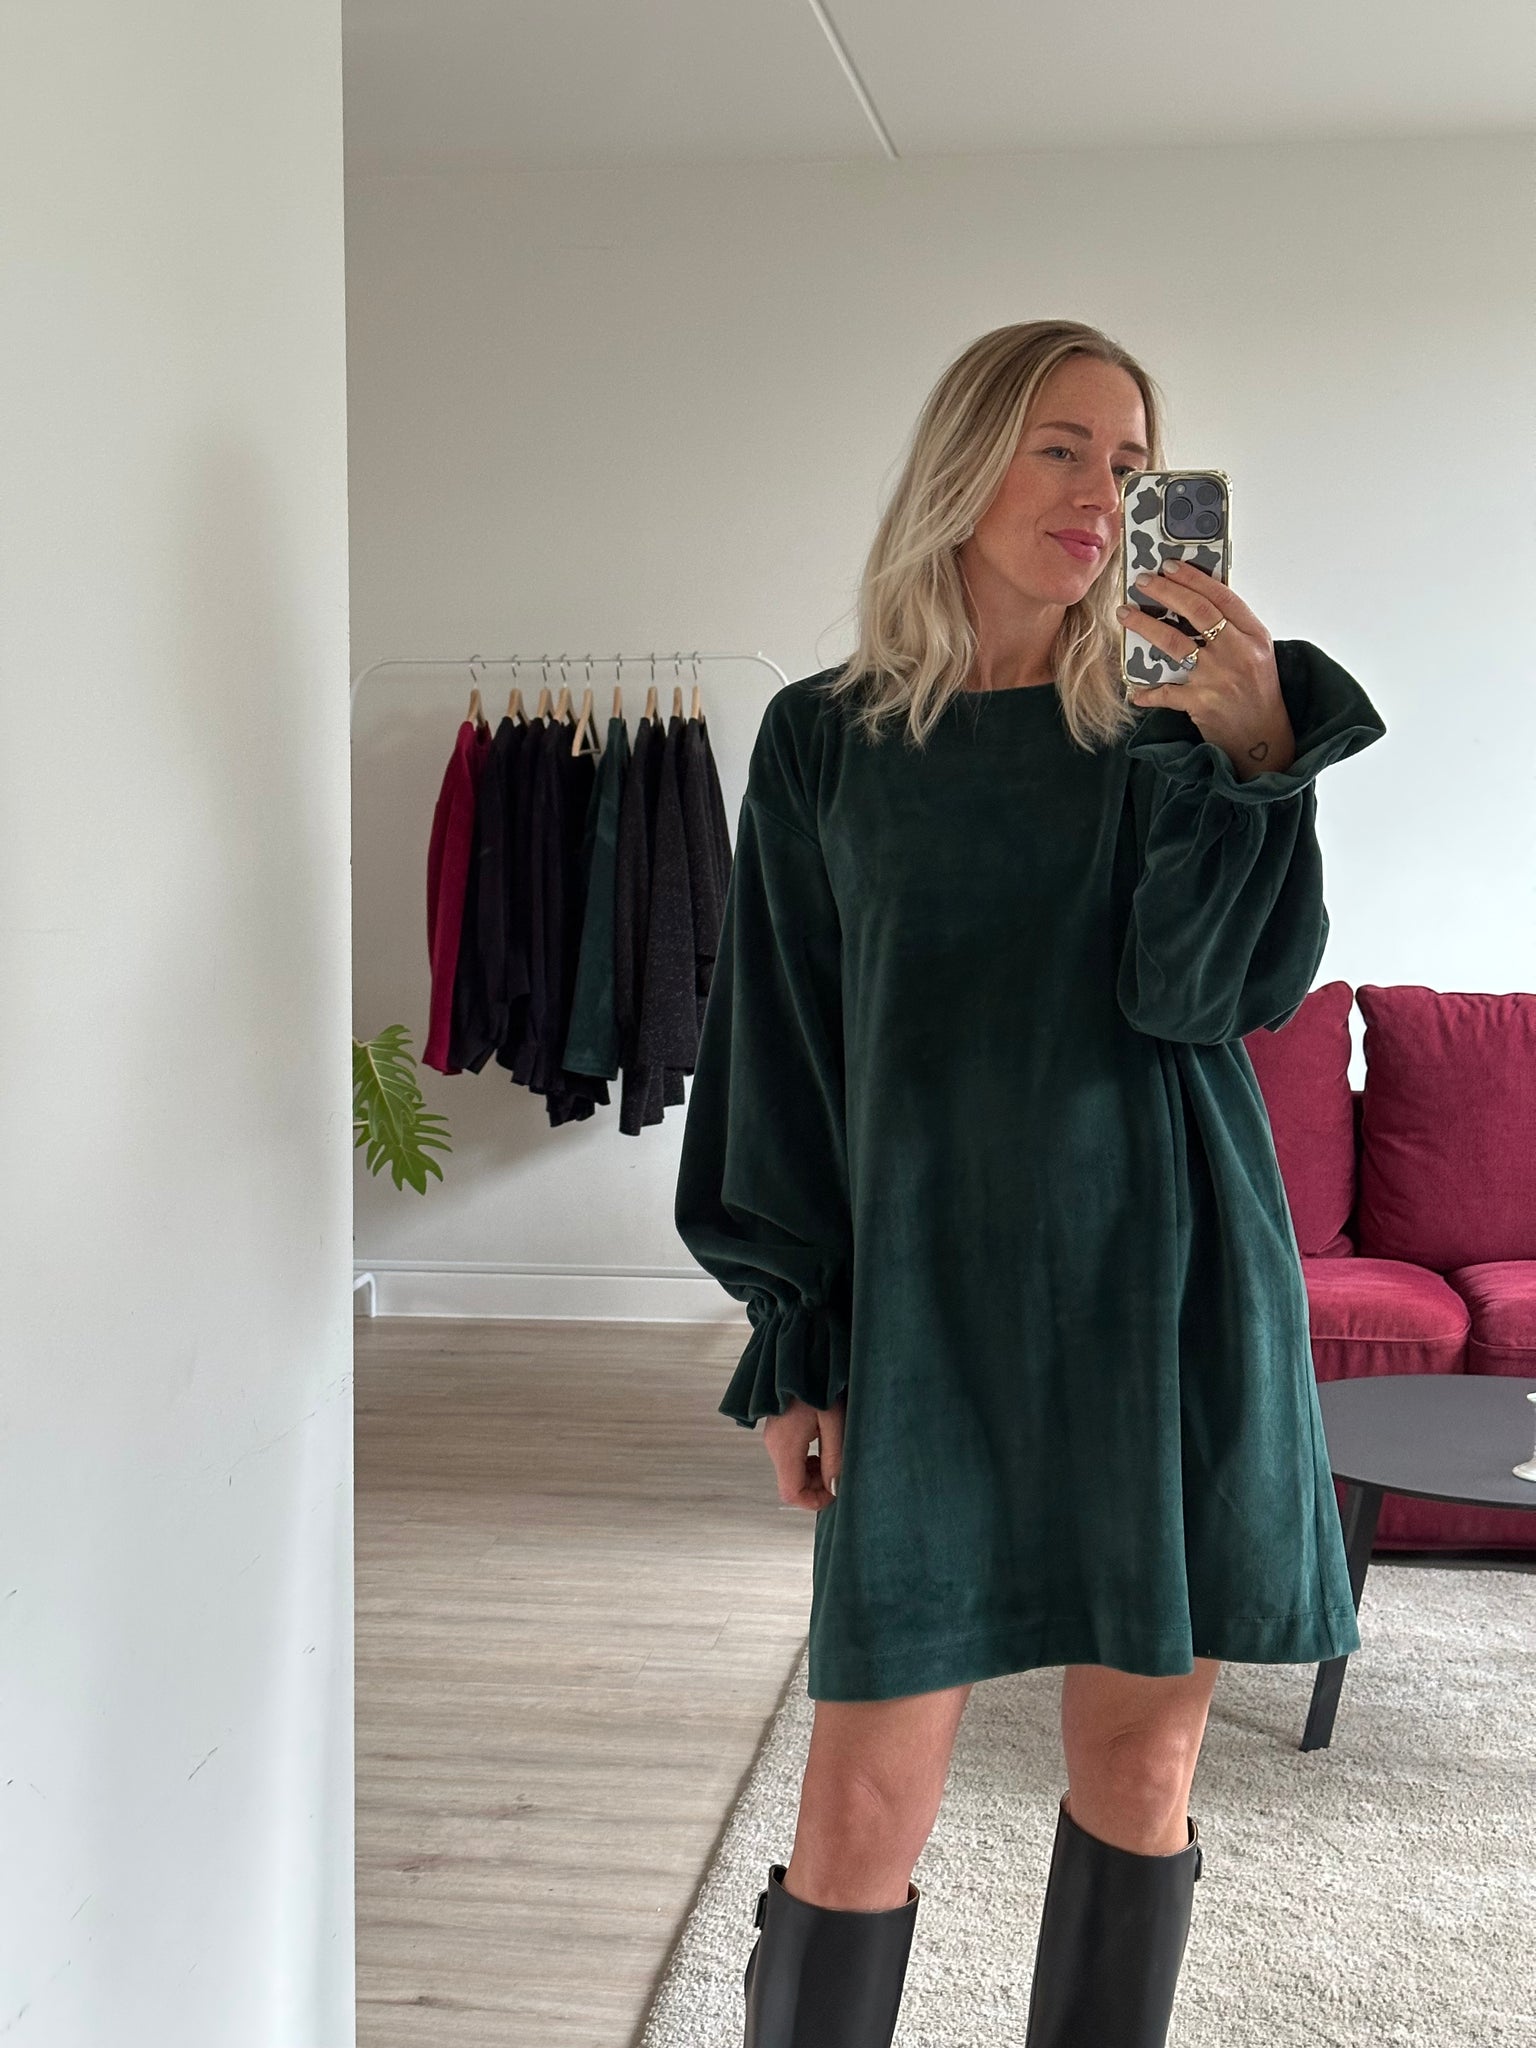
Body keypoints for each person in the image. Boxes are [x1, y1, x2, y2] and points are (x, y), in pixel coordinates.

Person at [673, 319, 1386, 2048]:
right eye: (1062, 446)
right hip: (931, 1301)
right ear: (965, 461)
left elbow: (1208, 997)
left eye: (1133, 466)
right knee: (862, 1795)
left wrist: (1252, 763)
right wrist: (797, 1338)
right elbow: (783, 1049)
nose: (1101, 494)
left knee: (1141, 1766)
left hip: (1167, 1275)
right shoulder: (824, 740)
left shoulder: (1169, 729)